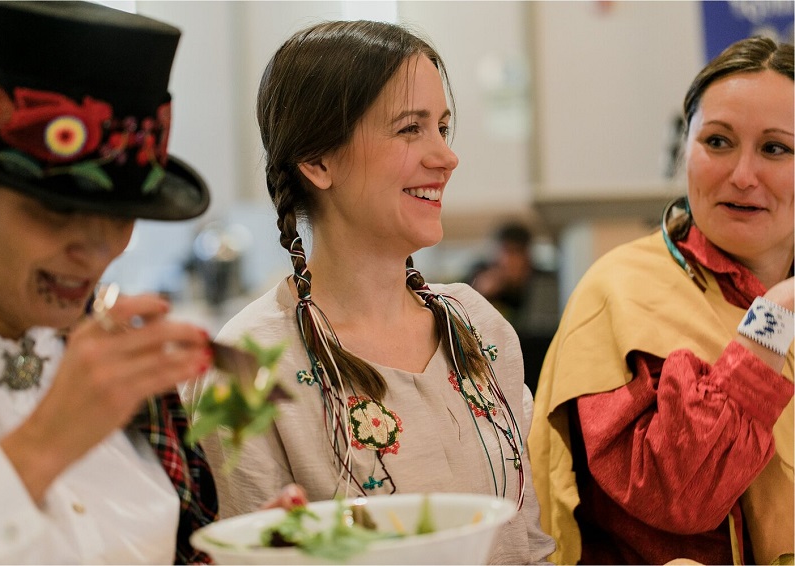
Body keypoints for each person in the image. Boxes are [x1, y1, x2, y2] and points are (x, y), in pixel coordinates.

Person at [195, 19, 555, 565]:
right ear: (317, 161)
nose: (445, 156)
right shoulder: (245, 367)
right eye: (410, 128)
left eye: (442, 126)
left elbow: (527, 543)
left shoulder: (478, 326)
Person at [0, 2, 220, 563]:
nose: (94, 251)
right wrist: (46, 442)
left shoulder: (125, 370)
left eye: (119, 216)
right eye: (54, 209)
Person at [529, 36, 793, 565]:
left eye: (775, 148)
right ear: (684, 151)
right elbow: (678, 495)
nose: (742, 175)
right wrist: (773, 320)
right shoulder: (622, 289)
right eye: (717, 142)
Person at [469, 221, 560, 393]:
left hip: (533, 374)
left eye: (514, 253)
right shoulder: (479, 278)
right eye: (504, 253)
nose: (508, 261)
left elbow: (541, 332)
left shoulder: (543, 281)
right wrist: (480, 295)